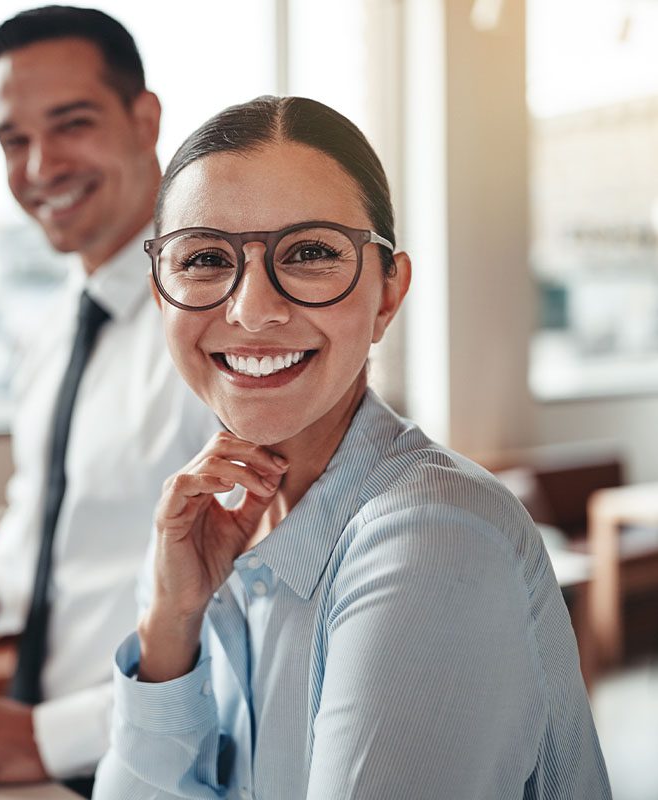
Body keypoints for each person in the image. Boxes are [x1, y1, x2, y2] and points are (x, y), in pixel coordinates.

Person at [93, 96, 612, 799]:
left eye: (308, 253)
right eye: (207, 258)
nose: (251, 310)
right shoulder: (211, 533)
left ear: (388, 292)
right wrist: (168, 624)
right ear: (162, 298)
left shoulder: (434, 540)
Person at [0, 6, 215, 795]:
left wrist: (49, 737)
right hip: (36, 760)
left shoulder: (220, 330)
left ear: (144, 119)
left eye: (71, 124)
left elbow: (254, 612)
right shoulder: (50, 333)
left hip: (157, 765)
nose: (39, 166)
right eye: (13, 140)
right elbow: (46, 524)